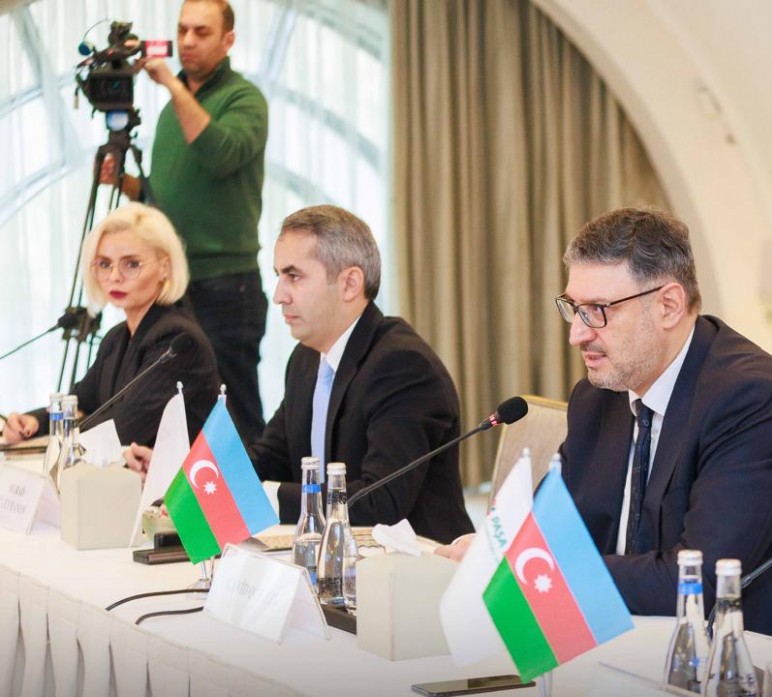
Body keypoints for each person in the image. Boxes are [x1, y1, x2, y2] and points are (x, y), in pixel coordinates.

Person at [554, 207, 772, 652]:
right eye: (574, 309)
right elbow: (554, 534)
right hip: (638, 643)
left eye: (597, 311)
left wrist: (553, 572)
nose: (577, 334)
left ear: (668, 306)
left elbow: (698, 581)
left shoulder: (752, 401)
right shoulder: (598, 398)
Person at [130, 205, 472, 542]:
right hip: (336, 557)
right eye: (278, 276)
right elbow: (269, 457)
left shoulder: (402, 366)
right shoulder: (306, 359)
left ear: (350, 283)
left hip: (418, 566)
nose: (279, 296)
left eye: (293, 276)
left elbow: (379, 503)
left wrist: (266, 497)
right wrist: (192, 482)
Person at [103, 0, 268, 444]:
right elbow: (164, 199)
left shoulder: (243, 99)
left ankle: (251, 488)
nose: (188, 41)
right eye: (182, 30)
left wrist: (172, 85)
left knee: (234, 410)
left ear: (228, 40)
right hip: (174, 281)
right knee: (184, 411)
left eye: (201, 32)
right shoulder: (171, 111)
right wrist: (127, 185)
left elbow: (220, 155)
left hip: (225, 283)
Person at [2, 204, 219, 448]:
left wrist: (60, 430)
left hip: (185, 474)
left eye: (131, 264)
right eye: (105, 264)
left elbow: (122, 430)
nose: (115, 276)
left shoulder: (177, 340)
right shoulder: (116, 338)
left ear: (164, 268)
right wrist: (34, 422)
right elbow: (82, 403)